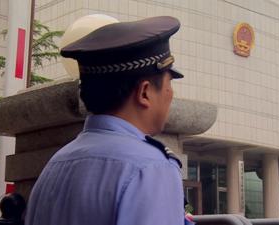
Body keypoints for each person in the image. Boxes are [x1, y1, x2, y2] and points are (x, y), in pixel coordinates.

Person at [25, 16, 186, 225]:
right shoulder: (150, 168)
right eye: (168, 85)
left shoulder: (55, 165)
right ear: (145, 92)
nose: (170, 94)